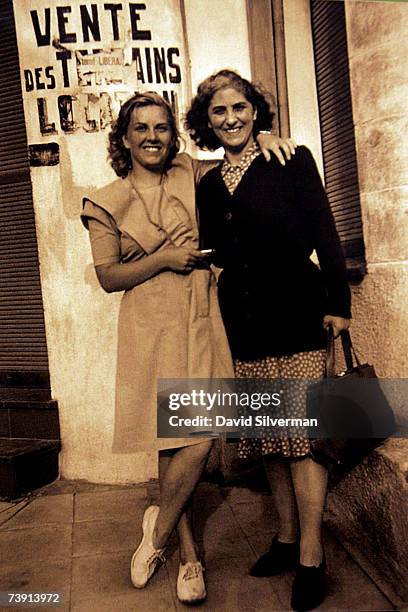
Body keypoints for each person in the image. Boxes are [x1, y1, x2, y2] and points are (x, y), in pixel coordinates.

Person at [81, 91, 295, 604]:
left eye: (160, 127)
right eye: (141, 128)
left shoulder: (188, 173)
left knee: (201, 437)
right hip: (150, 322)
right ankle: (189, 557)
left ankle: (155, 531)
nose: (152, 136)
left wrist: (266, 136)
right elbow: (109, 276)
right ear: (125, 138)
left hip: (201, 314)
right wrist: (162, 260)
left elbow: (234, 150)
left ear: (170, 135)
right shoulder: (104, 201)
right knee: (173, 440)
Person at [186, 70, 351, 612]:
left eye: (239, 108)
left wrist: (337, 305)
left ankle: (311, 555)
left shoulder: (290, 159)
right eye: (218, 112)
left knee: (303, 435)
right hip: (244, 322)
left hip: (298, 311)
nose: (230, 118)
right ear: (205, 121)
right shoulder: (208, 184)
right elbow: (214, 251)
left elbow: (326, 234)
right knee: (269, 436)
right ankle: (284, 536)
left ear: (256, 111)